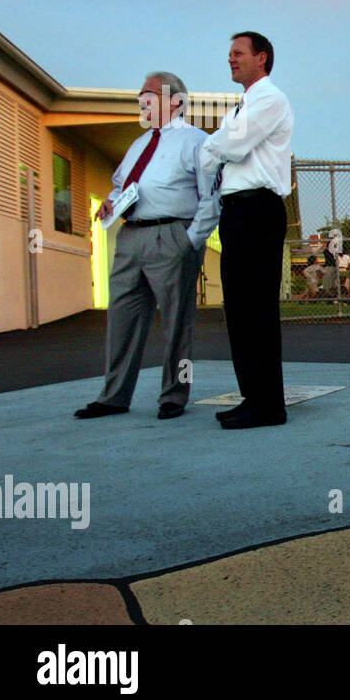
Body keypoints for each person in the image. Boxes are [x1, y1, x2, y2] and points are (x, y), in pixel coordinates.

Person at [76, 72, 220, 420]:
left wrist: (190, 241)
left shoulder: (197, 142)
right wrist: (111, 202)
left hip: (171, 236)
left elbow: (211, 198)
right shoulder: (139, 145)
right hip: (131, 236)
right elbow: (119, 185)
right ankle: (113, 396)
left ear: (175, 101)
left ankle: (174, 394)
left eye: (150, 94)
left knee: (176, 323)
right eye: (140, 95)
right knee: (122, 319)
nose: (142, 100)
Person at [200, 31, 293, 429]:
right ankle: (253, 398)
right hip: (237, 211)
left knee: (256, 309)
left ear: (262, 57)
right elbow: (216, 153)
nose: (231, 60)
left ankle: (269, 405)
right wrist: (217, 145)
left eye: (238, 53)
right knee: (238, 310)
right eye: (229, 54)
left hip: (258, 209)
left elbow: (231, 148)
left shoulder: (271, 99)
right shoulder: (242, 107)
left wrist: (214, 146)